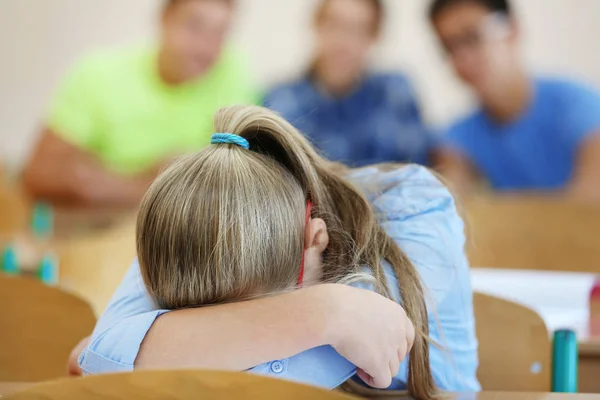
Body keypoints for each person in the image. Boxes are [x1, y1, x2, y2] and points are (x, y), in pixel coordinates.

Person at [76, 106, 479, 397]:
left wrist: (168, 343)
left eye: (254, 308)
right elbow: (105, 355)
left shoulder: (414, 209)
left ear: (316, 238)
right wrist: (326, 311)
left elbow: (118, 366)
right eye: (204, 316)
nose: (231, 322)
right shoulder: (194, 224)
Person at [23, 0, 256, 208]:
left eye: (220, 33)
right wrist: (153, 182)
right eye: (194, 26)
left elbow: (240, 186)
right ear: (164, 18)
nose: (206, 48)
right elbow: (39, 174)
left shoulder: (235, 77)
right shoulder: (98, 74)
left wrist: (110, 182)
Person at [430, 0, 600, 200]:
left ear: (512, 29)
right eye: (449, 47)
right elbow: (450, 205)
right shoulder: (457, 138)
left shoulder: (579, 106)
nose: (463, 57)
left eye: (472, 37)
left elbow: (589, 206)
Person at [264, 0, 434, 168]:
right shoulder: (281, 101)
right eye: (334, 25)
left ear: (374, 37)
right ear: (316, 24)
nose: (343, 41)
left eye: (358, 30)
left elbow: (417, 171)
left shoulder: (396, 94)